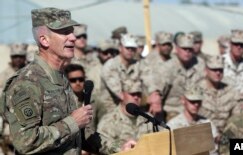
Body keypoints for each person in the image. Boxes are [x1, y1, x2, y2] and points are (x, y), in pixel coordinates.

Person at [0, 7, 134, 155]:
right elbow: (26, 142)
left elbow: (79, 135)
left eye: (72, 31)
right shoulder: (26, 83)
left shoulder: (60, 78)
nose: (73, 37)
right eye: (65, 32)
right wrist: (72, 122)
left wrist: (118, 147)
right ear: (44, 40)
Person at [152, 33, 205, 121]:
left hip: (196, 109)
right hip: (173, 111)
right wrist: (156, 101)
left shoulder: (199, 64)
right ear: (177, 48)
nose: (187, 52)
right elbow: (157, 91)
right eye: (184, 49)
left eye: (190, 49)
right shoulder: (168, 66)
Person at [97, 79, 155, 150]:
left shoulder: (148, 118)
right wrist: (121, 146)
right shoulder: (109, 120)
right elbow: (101, 144)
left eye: (138, 94)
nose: (136, 97)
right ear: (121, 95)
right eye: (132, 94)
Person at [197, 55, 241, 135]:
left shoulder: (231, 91)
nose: (218, 73)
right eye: (214, 70)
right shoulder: (197, 90)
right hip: (202, 134)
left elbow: (236, 118)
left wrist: (226, 135)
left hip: (225, 133)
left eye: (220, 70)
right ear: (206, 70)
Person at [222, 29, 243, 95]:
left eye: (242, 45)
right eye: (236, 44)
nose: (239, 47)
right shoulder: (220, 62)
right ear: (230, 44)